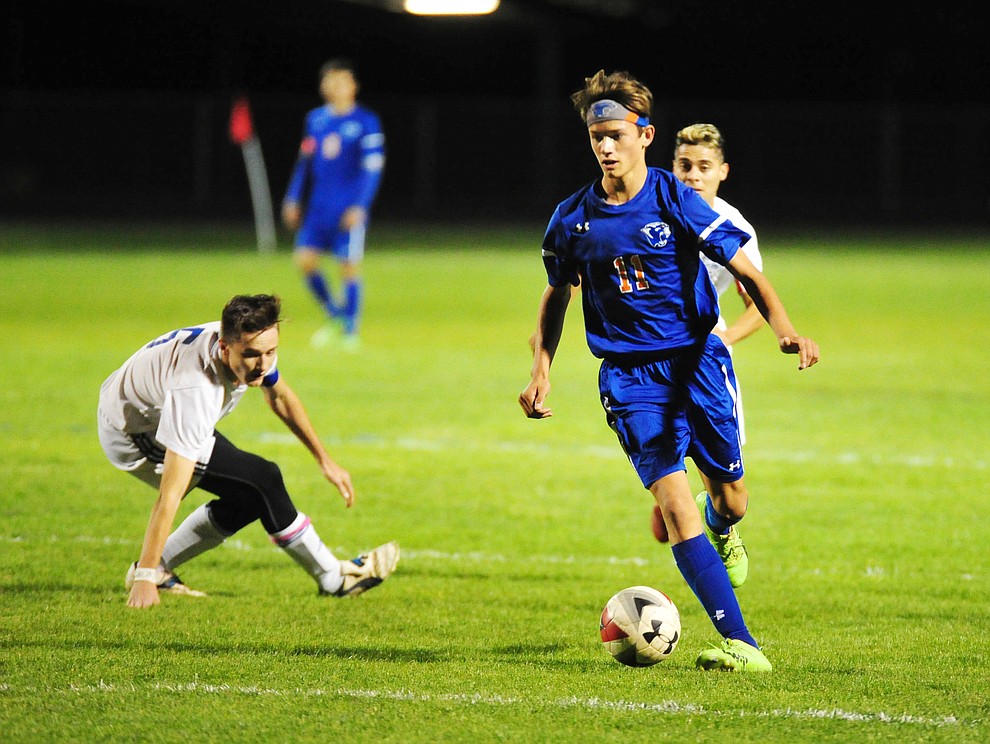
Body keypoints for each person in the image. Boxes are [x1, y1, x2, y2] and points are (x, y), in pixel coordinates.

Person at [519, 70, 819, 672]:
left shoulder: (675, 198)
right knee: (676, 506)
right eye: (595, 136)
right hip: (630, 381)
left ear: (644, 135)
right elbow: (558, 295)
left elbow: (749, 274)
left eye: (615, 134)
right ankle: (743, 644)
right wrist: (541, 368)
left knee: (730, 501)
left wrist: (784, 328)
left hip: (698, 365)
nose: (604, 146)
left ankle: (724, 521)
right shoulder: (572, 219)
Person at [97, 294, 399, 609]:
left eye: (271, 352)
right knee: (262, 479)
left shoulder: (250, 341)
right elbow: (169, 495)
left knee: (250, 495)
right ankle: (334, 578)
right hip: (135, 433)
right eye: (254, 355)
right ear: (225, 349)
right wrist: (144, 579)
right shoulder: (196, 389)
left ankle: (160, 568)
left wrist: (325, 460)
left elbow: (280, 396)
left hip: (156, 409)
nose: (263, 365)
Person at [647, 123, 764, 588]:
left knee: (733, 500)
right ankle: (674, 502)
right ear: (671, 168)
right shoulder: (651, 209)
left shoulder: (735, 229)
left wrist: (726, 339)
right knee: (666, 455)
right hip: (650, 357)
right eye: (684, 166)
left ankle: (719, 523)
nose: (693, 176)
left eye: (704, 167)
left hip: (706, 358)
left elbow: (756, 305)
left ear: (723, 172)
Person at [282, 58, 385, 351]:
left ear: (353, 86)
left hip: (347, 209)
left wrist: (360, 205)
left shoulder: (366, 122)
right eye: (331, 82)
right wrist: (293, 197)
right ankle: (336, 316)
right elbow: (305, 163)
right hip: (318, 208)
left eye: (343, 81)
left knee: (348, 268)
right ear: (324, 86)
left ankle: (351, 331)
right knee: (304, 261)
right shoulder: (316, 120)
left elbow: (372, 169)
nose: (337, 87)